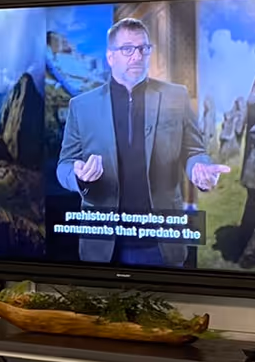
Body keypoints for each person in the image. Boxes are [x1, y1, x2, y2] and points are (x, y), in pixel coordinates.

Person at [55, 17, 227, 265]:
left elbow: (193, 150)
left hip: (161, 239)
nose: (137, 56)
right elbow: (64, 166)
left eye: (143, 48)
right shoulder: (81, 106)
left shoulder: (176, 96)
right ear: (110, 56)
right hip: (102, 244)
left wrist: (199, 166)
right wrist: (77, 174)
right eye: (127, 49)